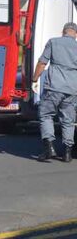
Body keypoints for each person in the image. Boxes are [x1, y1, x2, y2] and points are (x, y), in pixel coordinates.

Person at [32, 22, 77, 163]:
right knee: (68, 121)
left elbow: (42, 63)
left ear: (63, 31)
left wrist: (34, 79)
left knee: (46, 115)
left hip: (54, 87)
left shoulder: (53, 42)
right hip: (72, 89)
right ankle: (67, 153)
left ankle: (49, 147)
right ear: (75, 34)